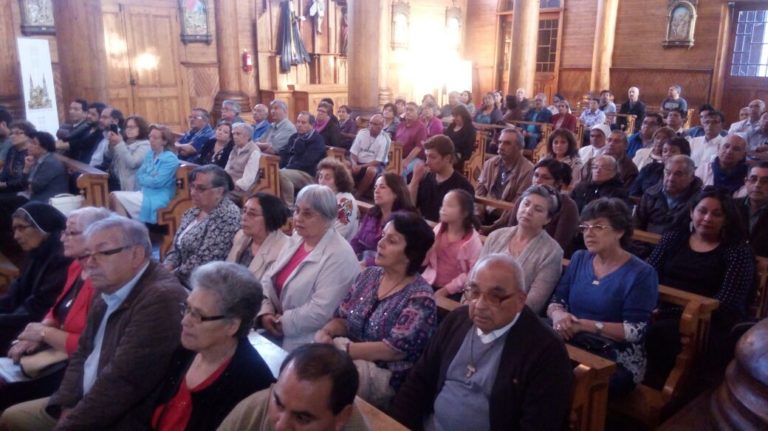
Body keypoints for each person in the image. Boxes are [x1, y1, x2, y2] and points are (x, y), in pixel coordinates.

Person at [0, 216, 188, 430]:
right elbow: (82, 354)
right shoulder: (108, 284)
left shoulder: (160, 298)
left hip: (122, 415)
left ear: (136, 255)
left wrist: (70, 423)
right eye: (88, 254)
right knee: (13, 417)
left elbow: (123, 383)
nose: (90, 263)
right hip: (85, 397)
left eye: (103, 252)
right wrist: (66, 405)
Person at [392, 254, 573, 431]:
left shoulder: (546, 351)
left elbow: (538, 424)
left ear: (520, 300)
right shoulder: (457, 320)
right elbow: (418, 383)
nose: (479, 305)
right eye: (474, 292)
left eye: (495, 297)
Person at [315, 212, 436, 407]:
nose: (380, 243)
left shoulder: (420, 298)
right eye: (382, 236)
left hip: (384, 377)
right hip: (346, 361)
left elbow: (393, 350)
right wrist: (326, 332)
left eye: (392, 241)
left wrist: (343, 350)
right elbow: (343, 318)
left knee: (320, 387)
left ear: (411, 253)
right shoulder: (369, 275)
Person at [0, 208, 109, 410]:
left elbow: (92, 344)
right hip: (53, 350)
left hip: (74, 367)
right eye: (64, 232)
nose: (62, 238)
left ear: (96, 234)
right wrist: (40, 329)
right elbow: (55, 307)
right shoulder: (77, 266)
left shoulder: (104, 281)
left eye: (71, 233)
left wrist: (42, 332)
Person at [548, 198, 658, 396]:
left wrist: (583, 324)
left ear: (620, 231)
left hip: (615, 356)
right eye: (585, 227)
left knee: (557, 378)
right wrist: (559, 317)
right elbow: (557, 301)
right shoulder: (580, 258)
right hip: (572, 339)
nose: (588, 233)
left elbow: (635, 331)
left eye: (598, 227)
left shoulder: (641, 273)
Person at [150, 262, 275, 431]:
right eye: (187, 308)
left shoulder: (252, 384)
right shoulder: (185, 350)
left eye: (198, 315)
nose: (185, 321)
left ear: (232, 325)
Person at [647, 187, 756, 380]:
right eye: (702, 211)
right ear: (691, 212)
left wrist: (666, 313)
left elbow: (727, 303)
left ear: (726, 219)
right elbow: (648, 274)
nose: (707, 219)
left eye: (717, 214)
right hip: (659, 308)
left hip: (706, 322)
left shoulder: (737, 251)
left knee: (659, 333)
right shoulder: (673, 238)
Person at [258, 185, 360, 351]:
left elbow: (320, 311)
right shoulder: (297, 238)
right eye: (296, 210)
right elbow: (268, 277)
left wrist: (281, 322)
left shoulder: (339, 255)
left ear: (327, 217)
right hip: (275, 326)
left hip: (308, 342)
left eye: (307, 213)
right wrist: (266, 312)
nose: (297, 218)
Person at [218, 344, 368, 431]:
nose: (280, 426)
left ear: (342, 416)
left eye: (302, 418)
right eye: (278, 404)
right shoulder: (254, 409)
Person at [480, 185, 564, 314]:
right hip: (478, 306)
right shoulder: (496, 236)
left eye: (538, 209)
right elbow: (475, 276)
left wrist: (495, 312)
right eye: (526, 204)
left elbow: (535, 302)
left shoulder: (552, 252)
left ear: (548, 219)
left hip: (513, 318)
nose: (528, 211)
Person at [0, 203, 70, 354]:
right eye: (14, 229)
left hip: (42, 328)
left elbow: (39, 308)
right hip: (25, 322)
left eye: (22, 227)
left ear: (43, 227)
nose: (16, 236)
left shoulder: (62, 258)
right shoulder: (36, 254)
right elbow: (14, 297)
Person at [163, 165, 241, 286]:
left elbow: (205, 260)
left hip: (202, 284)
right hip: (177, 277)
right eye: (192, 187)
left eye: (201, 189)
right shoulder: (193, 211)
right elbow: (176, 247)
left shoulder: (227, 216)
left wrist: (169, 276)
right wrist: (166, 267)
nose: (193, 193)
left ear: (219, 192)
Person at [109, 125, 179, 224]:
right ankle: (127, 231)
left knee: (116, 197)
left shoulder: (170, 158)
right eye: (150, 137)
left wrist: (146, 178)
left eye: (155, 138)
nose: (151, 140)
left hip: (158, 196)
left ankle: (125, 233)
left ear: (164, 141)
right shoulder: (150, 154)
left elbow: (157, 182)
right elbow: (139, 174)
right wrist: (148, 178)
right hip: (144, 192)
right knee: (113, 196)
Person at [422, 189, 483, 299]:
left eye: (449, 205)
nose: (443, 209)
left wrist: (446, 290)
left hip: (455, 291)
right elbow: (427, 260)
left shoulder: (472, 241)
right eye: (443, 205)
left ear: (464, 213)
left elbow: (471, 273)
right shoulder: (438, 230)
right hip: (429, 280)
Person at [351, 173, 415, 266]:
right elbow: (357, 240)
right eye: (375, 187)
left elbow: (396, 255)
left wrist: (366, 263)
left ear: (396, 193)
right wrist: (349, 254)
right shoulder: (372, 213)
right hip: (362, 260)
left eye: (382, 187)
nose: (376, 191)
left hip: (387, 267)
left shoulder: (404, 220)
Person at [408, 135, 474, 222]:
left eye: (432, 157)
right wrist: (415, 180)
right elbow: (410, 208)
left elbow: (460, 225)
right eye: (426, 156)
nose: (427, 162)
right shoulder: (425, 178)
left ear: (447, 158)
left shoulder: (462, 186)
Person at [227, 192, 291, 281]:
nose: (244, 218)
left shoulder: (283, 248)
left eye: (252, 214)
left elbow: (268, 289)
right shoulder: (241, 236)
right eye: (244, 211)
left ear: (270, 218)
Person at [635, 154, 702, 235]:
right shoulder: (650, 194)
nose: (671, 179)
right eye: (668, 173)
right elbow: (636, 226)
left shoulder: (699, 200)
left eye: (678, 174)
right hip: (645, 244)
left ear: (691, 177)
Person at [475, 128, 534, 217]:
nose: (501, 147)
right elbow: (480, 192)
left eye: (507, 143)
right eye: (500, 142)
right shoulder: (490, 163)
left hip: (509, 215)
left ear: (519, 147)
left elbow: (518, 202)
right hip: (486, 209)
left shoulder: (528, 170)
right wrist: (479, 214)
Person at [278, 112, 326, 205]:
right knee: (271, 173)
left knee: (282, 174)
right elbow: (285, 153)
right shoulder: (294, 137)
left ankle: (289, 207)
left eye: (303, 123)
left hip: (308, 174)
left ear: (311, 125)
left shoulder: (317, 139)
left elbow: (307, 161)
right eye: (298, 122)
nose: (299, 125)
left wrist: (287, 167)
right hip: (292, 170)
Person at [316, 158, 359, 240]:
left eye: (327, 178)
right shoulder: (324, 197)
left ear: (339, 180)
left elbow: (338, 234)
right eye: (320, 177)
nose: (322, 181)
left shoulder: (347, 202)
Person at [105, 115, 151, 191]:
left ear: (141, 128)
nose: (129, 129)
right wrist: (112, 144)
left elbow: (132, 163)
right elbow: (108, 156)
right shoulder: (124, 142)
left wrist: (119, 143)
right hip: (115, 178)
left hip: (130, 185)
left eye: (132, 127)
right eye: (127, 127)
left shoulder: (145, 145)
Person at [348, 114, 389, 199]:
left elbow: (379, 160)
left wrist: (360, 166)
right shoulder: (362, 133)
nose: (370, 126)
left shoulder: (385, 138)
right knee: (344, 165)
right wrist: (354, 163)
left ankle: (358, 194)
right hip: (358, 162)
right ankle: (346, 191)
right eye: (370, 123)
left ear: (381, 126)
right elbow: (353, 152)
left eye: (374, 124)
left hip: (375, 164)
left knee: (371, 170)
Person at [736, 162, 768, 257]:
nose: (757, 185)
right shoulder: (731, 206)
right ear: (746, 182)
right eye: (753, 179)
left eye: (765, 181)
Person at [224, 122, 262, 193]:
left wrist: (231, 186)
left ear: (248, 136)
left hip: (238, 189)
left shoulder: (254, 152)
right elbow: (227, 169)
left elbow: (248, 179)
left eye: (238, 134)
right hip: (226, 184)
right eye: (233, 134)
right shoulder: (234, 149)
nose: (234, 137)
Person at [397, 102, 428, 179]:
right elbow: (395, 144)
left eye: (411, 110)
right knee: (387, 169)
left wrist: (406, 161)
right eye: (407, 109)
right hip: (400, 156)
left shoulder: (421, 127)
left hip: (416, 158)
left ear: (417, 112)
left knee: (400, 171)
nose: (408, 112)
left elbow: (418, 148)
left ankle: (402, 191)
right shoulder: (400, 125)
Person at [444, 104, 476, 172]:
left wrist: (454, 151)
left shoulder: (470, 129)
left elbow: (468, 148)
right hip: (447, 152)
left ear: (463, 116)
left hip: (461, 155)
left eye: (457, 116)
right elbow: (444, 138)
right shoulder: (452, 126)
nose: (455, 118)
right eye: (454, 116)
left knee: (442, 160)